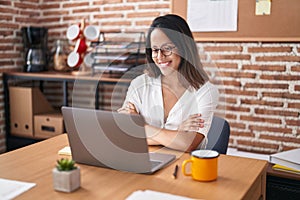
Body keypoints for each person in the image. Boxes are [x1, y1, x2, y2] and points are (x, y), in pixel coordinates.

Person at [118, 14, 219, 152]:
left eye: (167, 48)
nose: (160, 57)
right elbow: (126, 133)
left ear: (184, 48)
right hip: (142, 160)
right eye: (155, 50)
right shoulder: (139, 84)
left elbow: (187, 144)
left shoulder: (206, 92)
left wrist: (142, 127)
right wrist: (176, 133)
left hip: (184, 166)